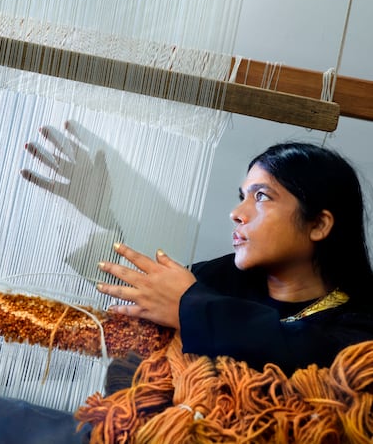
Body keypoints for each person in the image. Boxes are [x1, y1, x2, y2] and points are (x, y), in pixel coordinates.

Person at [96, 142, 373, 376]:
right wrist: (100, 217)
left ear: (318, 225)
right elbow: (125, 305)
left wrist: (191, 309)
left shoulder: (359, 330)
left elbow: (310, 353)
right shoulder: (212, 279)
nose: (237, 212)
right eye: (243, 196)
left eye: (262, 196)